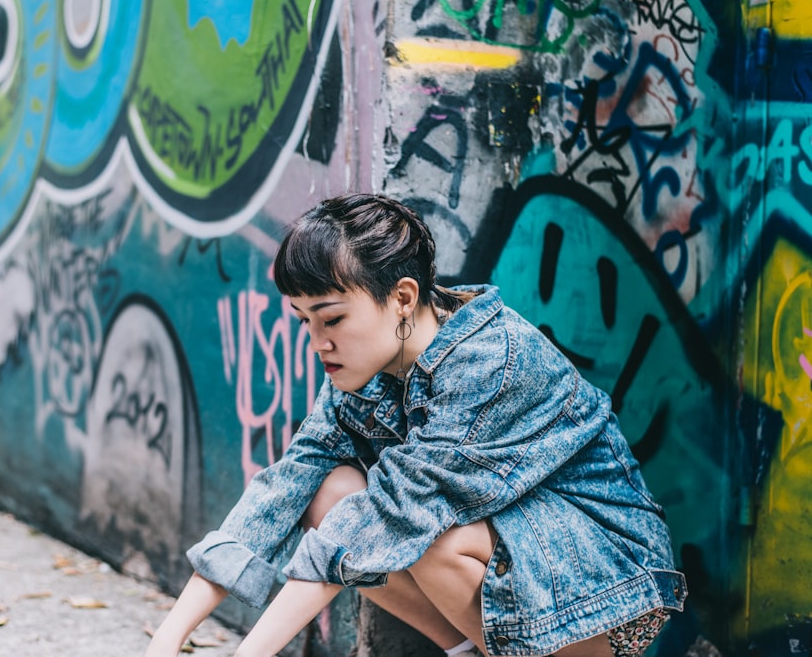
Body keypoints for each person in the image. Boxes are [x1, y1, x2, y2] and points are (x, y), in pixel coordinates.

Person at [144, 193, 686, 657]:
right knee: (328, 491)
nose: (318, 342)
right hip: (520, 577)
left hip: (608, 589)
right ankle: (468, 649)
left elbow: (386, 518)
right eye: (305, 320)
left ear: (402, 298)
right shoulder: (362, 373)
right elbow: (281, 489)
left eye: (332, 318)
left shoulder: (489, 363)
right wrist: (165, 640)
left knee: (422, 527)